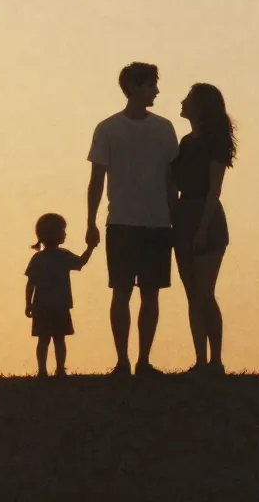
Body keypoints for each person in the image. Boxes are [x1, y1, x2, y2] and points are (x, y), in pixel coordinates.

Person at [86, 62, 180, 376]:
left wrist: (175, 217)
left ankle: (143, 360)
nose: (156, 91)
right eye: (150, 85)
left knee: (151, 292)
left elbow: (170, 178)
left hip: (158, 222)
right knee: (121, 291)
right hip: (122, 222)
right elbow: (96, 179)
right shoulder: (107, 128)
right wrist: (91, 221)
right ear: (133, 87)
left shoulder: (164, 128)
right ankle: (123, 361)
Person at [173, 83, 237, 376]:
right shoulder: (185, 142)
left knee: (205, 293)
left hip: (206, 217)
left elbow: (214, 190)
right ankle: (200, 360)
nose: (182, 102)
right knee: (192, 294)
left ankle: (216, 360)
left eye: (188, 98)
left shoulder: (214, 142)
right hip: (184, 214)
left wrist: (202, 229)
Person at [24, 213, 97, 378]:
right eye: (63, 230)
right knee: (58, 339)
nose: (65, 233)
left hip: (43, 306)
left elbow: (31, 283)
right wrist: (90, 248)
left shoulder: (39, 258)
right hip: (59, 305)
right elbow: (81, 262)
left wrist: (28, 303)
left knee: (45, 339)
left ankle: (45, 371)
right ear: (54, 233)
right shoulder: (62, 255)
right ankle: (58, 370)